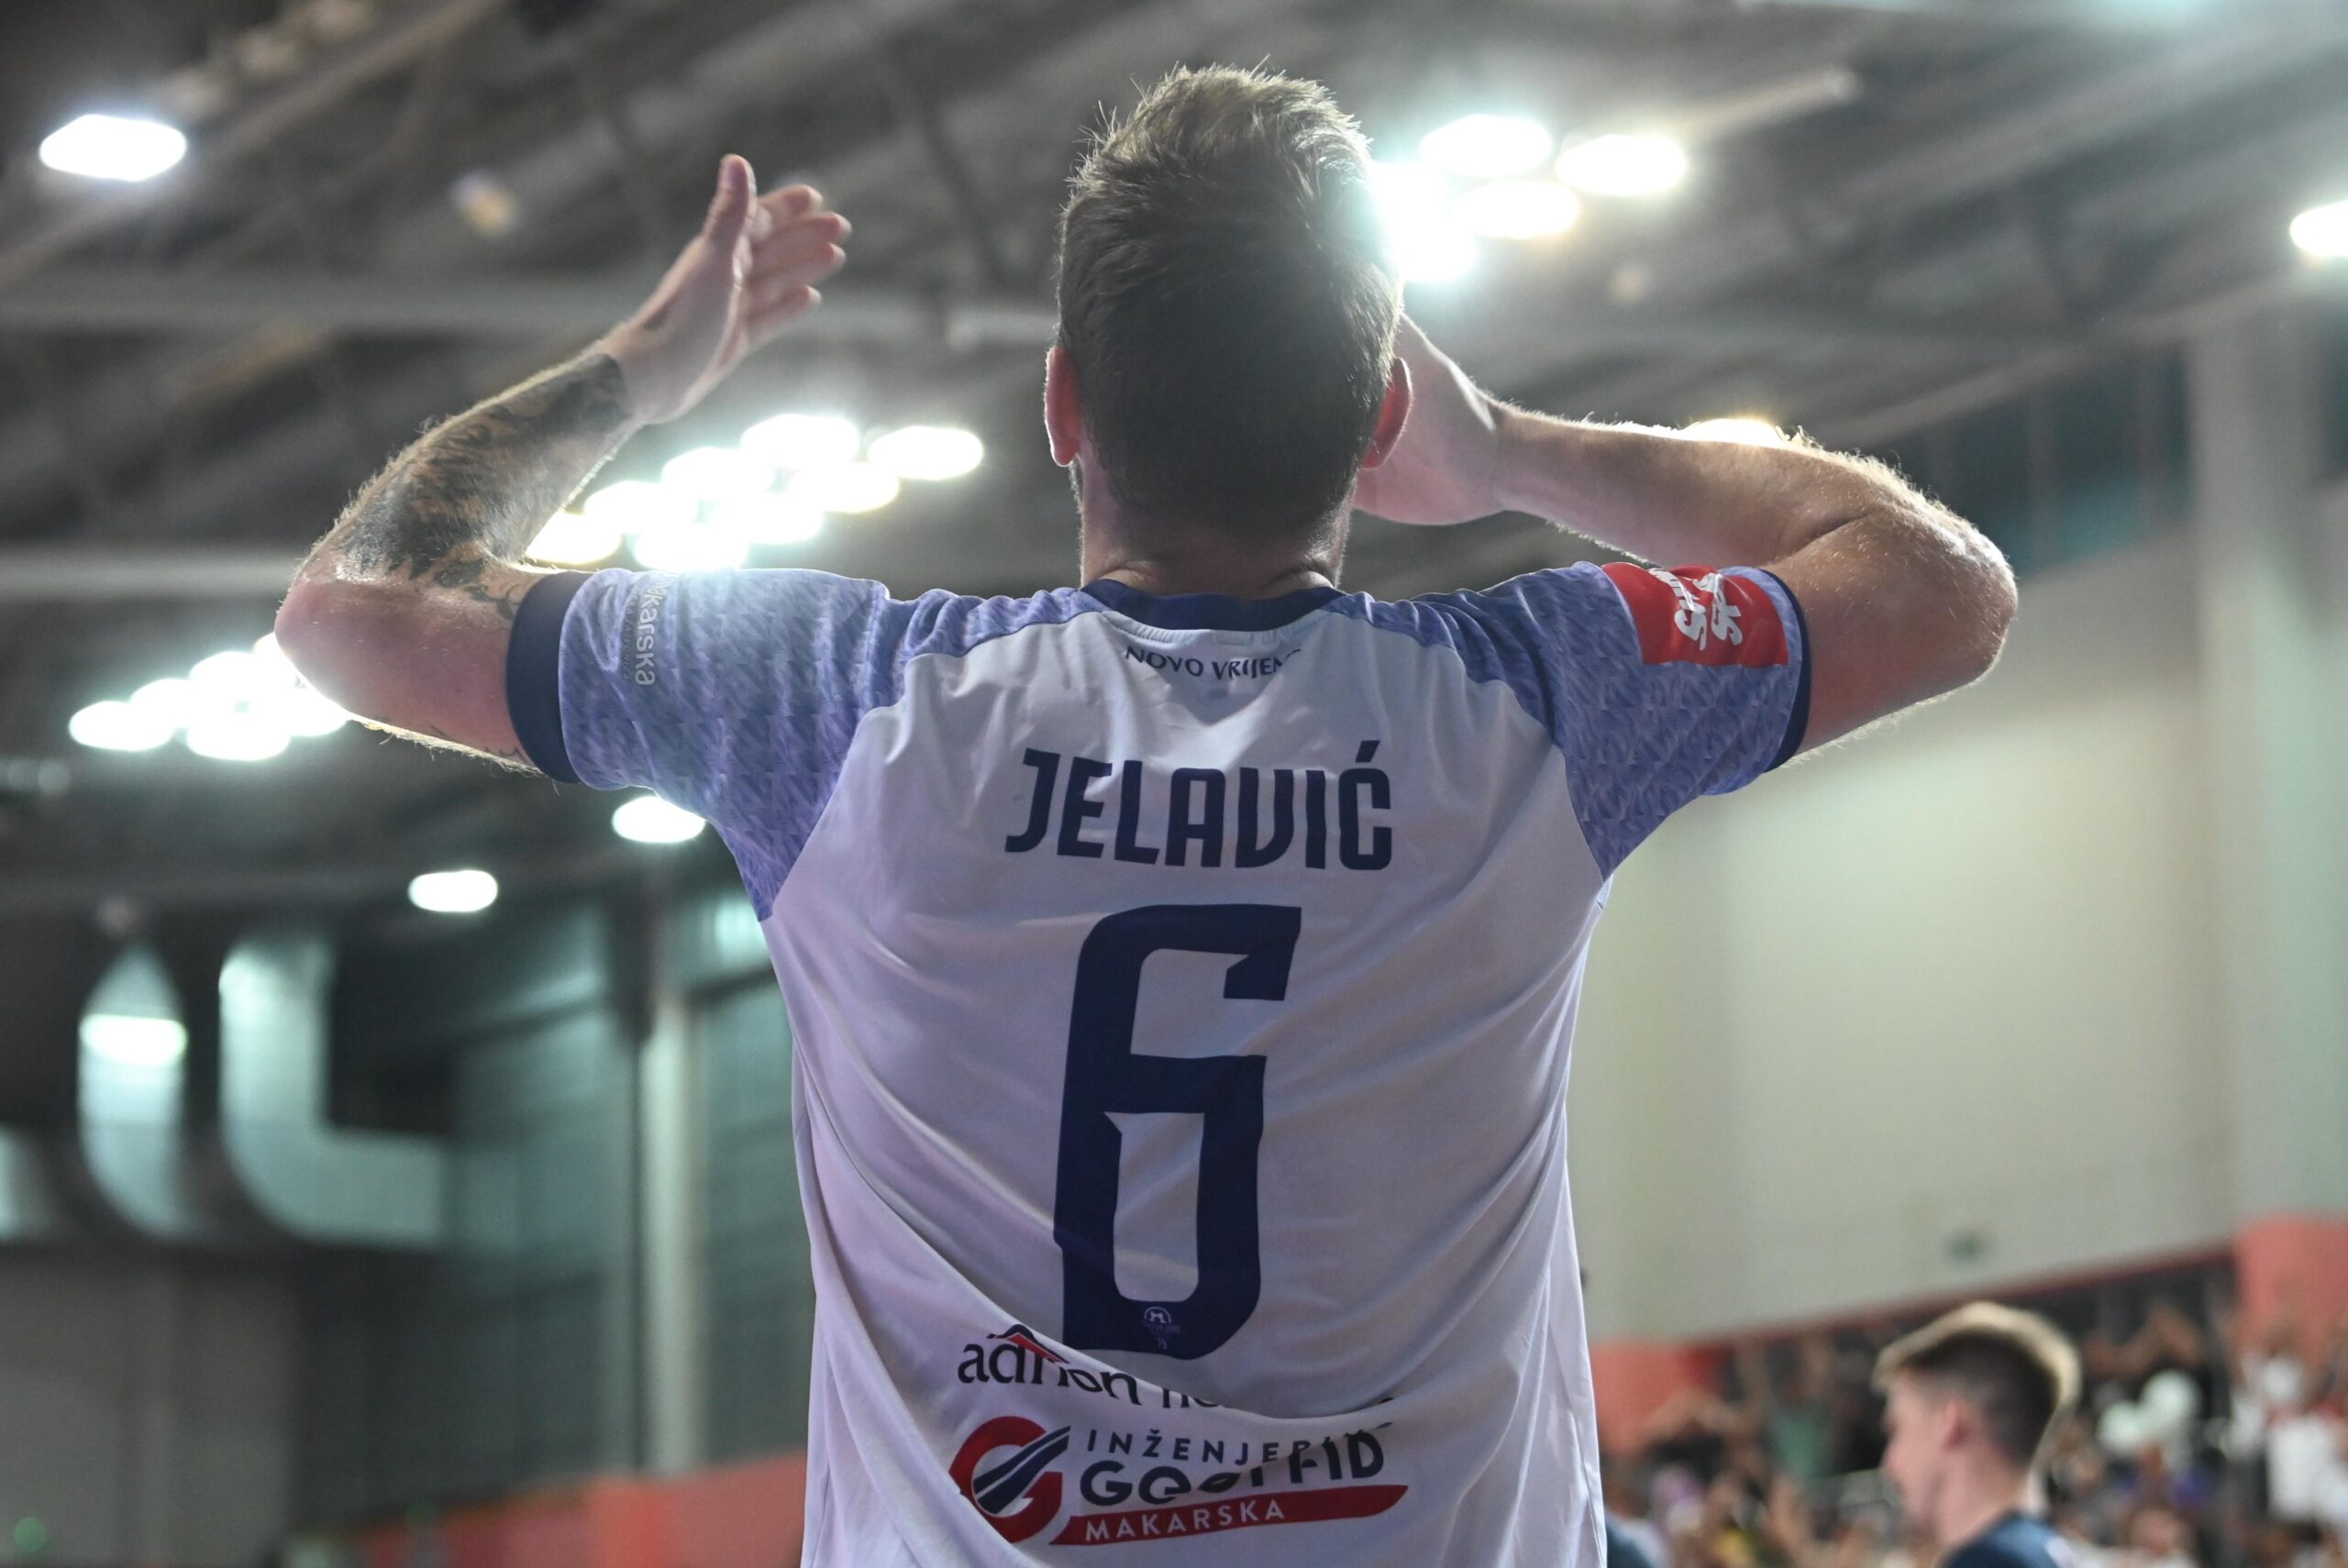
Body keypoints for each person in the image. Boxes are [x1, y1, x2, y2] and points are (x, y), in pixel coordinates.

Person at [275, 63, 2015, 1566]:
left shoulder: (832, 702)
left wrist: (636, 378)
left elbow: (355, 606)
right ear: (1377, 422)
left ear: (1063, 404)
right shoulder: (1540, 705)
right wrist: (1506, 452)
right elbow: (1939, 585)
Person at [1877, 1303, 2085, 1568]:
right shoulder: (2050, 1552)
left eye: (1897, 1430)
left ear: (1949, 1423)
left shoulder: (1989, 1561)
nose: (1889, 1463)